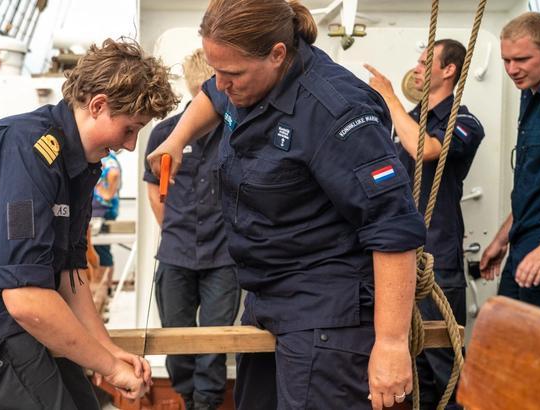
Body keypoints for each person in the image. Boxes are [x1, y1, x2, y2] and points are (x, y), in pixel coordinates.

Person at [147, 1, 427, 409]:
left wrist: (390, 344)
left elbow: (393, 225)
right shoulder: (243, 81)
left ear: (278, 54)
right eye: (217, 70)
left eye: (232, 74)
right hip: (267, 298)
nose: (222, 84)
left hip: (327, 312)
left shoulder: (337, 113)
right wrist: (177, 137)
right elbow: (212, 95)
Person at [0, 38, 179, 409]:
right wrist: (109, 367)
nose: (130, 146)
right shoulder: (27, 152)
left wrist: (107, 351)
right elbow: (26, 297)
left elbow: (71, 273)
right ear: (97, 106)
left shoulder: (79, 165)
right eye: (129, 129)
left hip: (1, 313)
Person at [365, 39, 484, 409]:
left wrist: (389, 97)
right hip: (401, 257)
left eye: (423, 62)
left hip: (439, 256)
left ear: (448, 70)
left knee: (444, 363)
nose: (416, 68)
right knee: (414, 362)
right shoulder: (408, 120)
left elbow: (427, 150)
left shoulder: (464, 122)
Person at [143, 49, 240, 410]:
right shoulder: (165, 135)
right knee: (176, 341)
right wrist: (170, 226)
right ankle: (186, 399)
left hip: (223, 257)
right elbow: (153, 185)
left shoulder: (236, 133)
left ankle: (207, 404)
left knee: (214, 343)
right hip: (175, 254)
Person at [481, 12, 540, 308]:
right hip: (523, 241)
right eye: (506, 60)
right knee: (506, 337)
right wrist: (503, 238)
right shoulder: (529, 96)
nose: (512, 69)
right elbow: (533, 186)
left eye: (521, 59)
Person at [91, 149, 121, 286]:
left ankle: (100, 291)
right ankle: (104, 291)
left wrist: (106, 194)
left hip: (101, 211)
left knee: (100, 250)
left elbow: (114, 174)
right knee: (102, 249)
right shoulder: (104, 157)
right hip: (101, 210)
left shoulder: (106, 157)